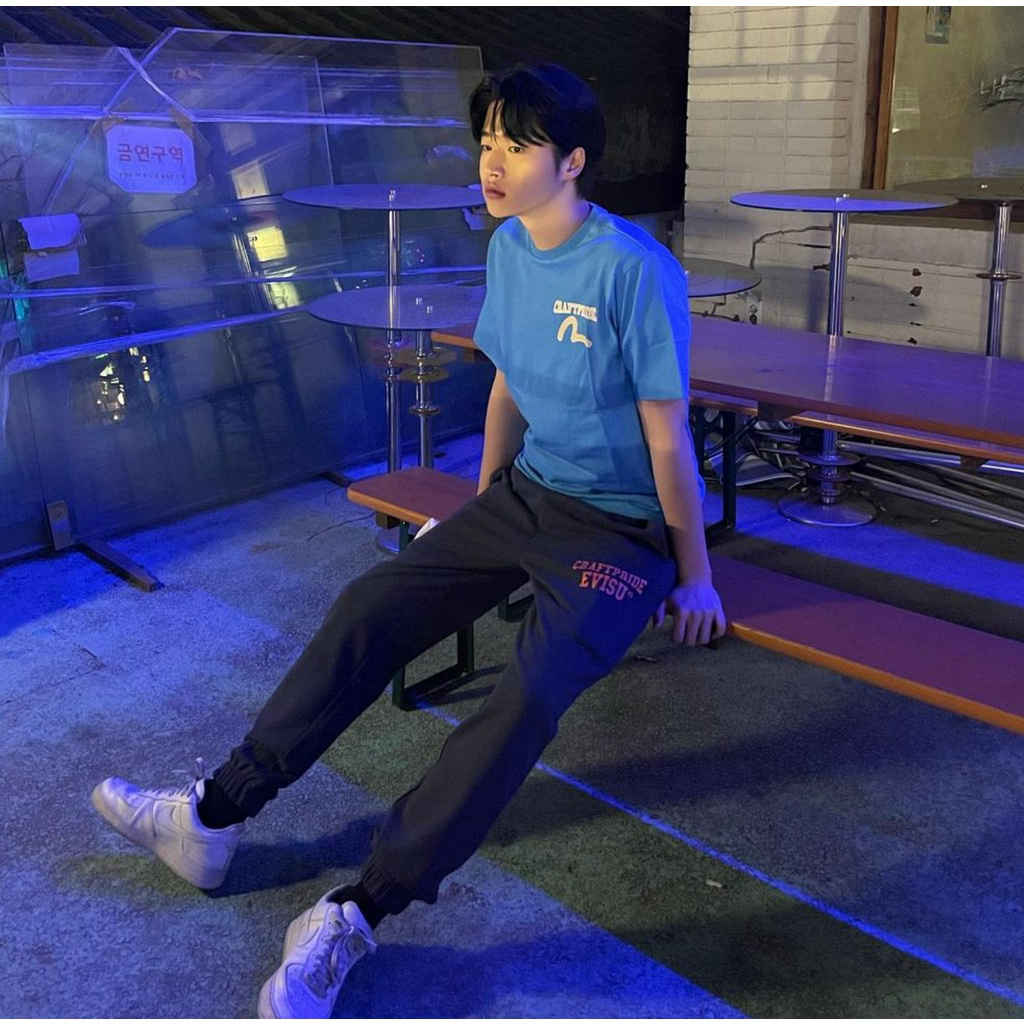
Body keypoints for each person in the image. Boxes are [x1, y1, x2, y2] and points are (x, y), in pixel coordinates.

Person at [91, 63, 726, 1018]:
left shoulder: (635, 271)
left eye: (518, 145)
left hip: (622, 531)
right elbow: (508, 384)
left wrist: (696, 574)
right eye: (487, 142)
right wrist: (479, 510)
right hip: (528, 495)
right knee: (369, 606)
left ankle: (360, 909)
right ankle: (213, 815)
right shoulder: (510, 247)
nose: (492, 163)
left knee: (527, 697)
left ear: (573, 161)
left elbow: (669, 438)